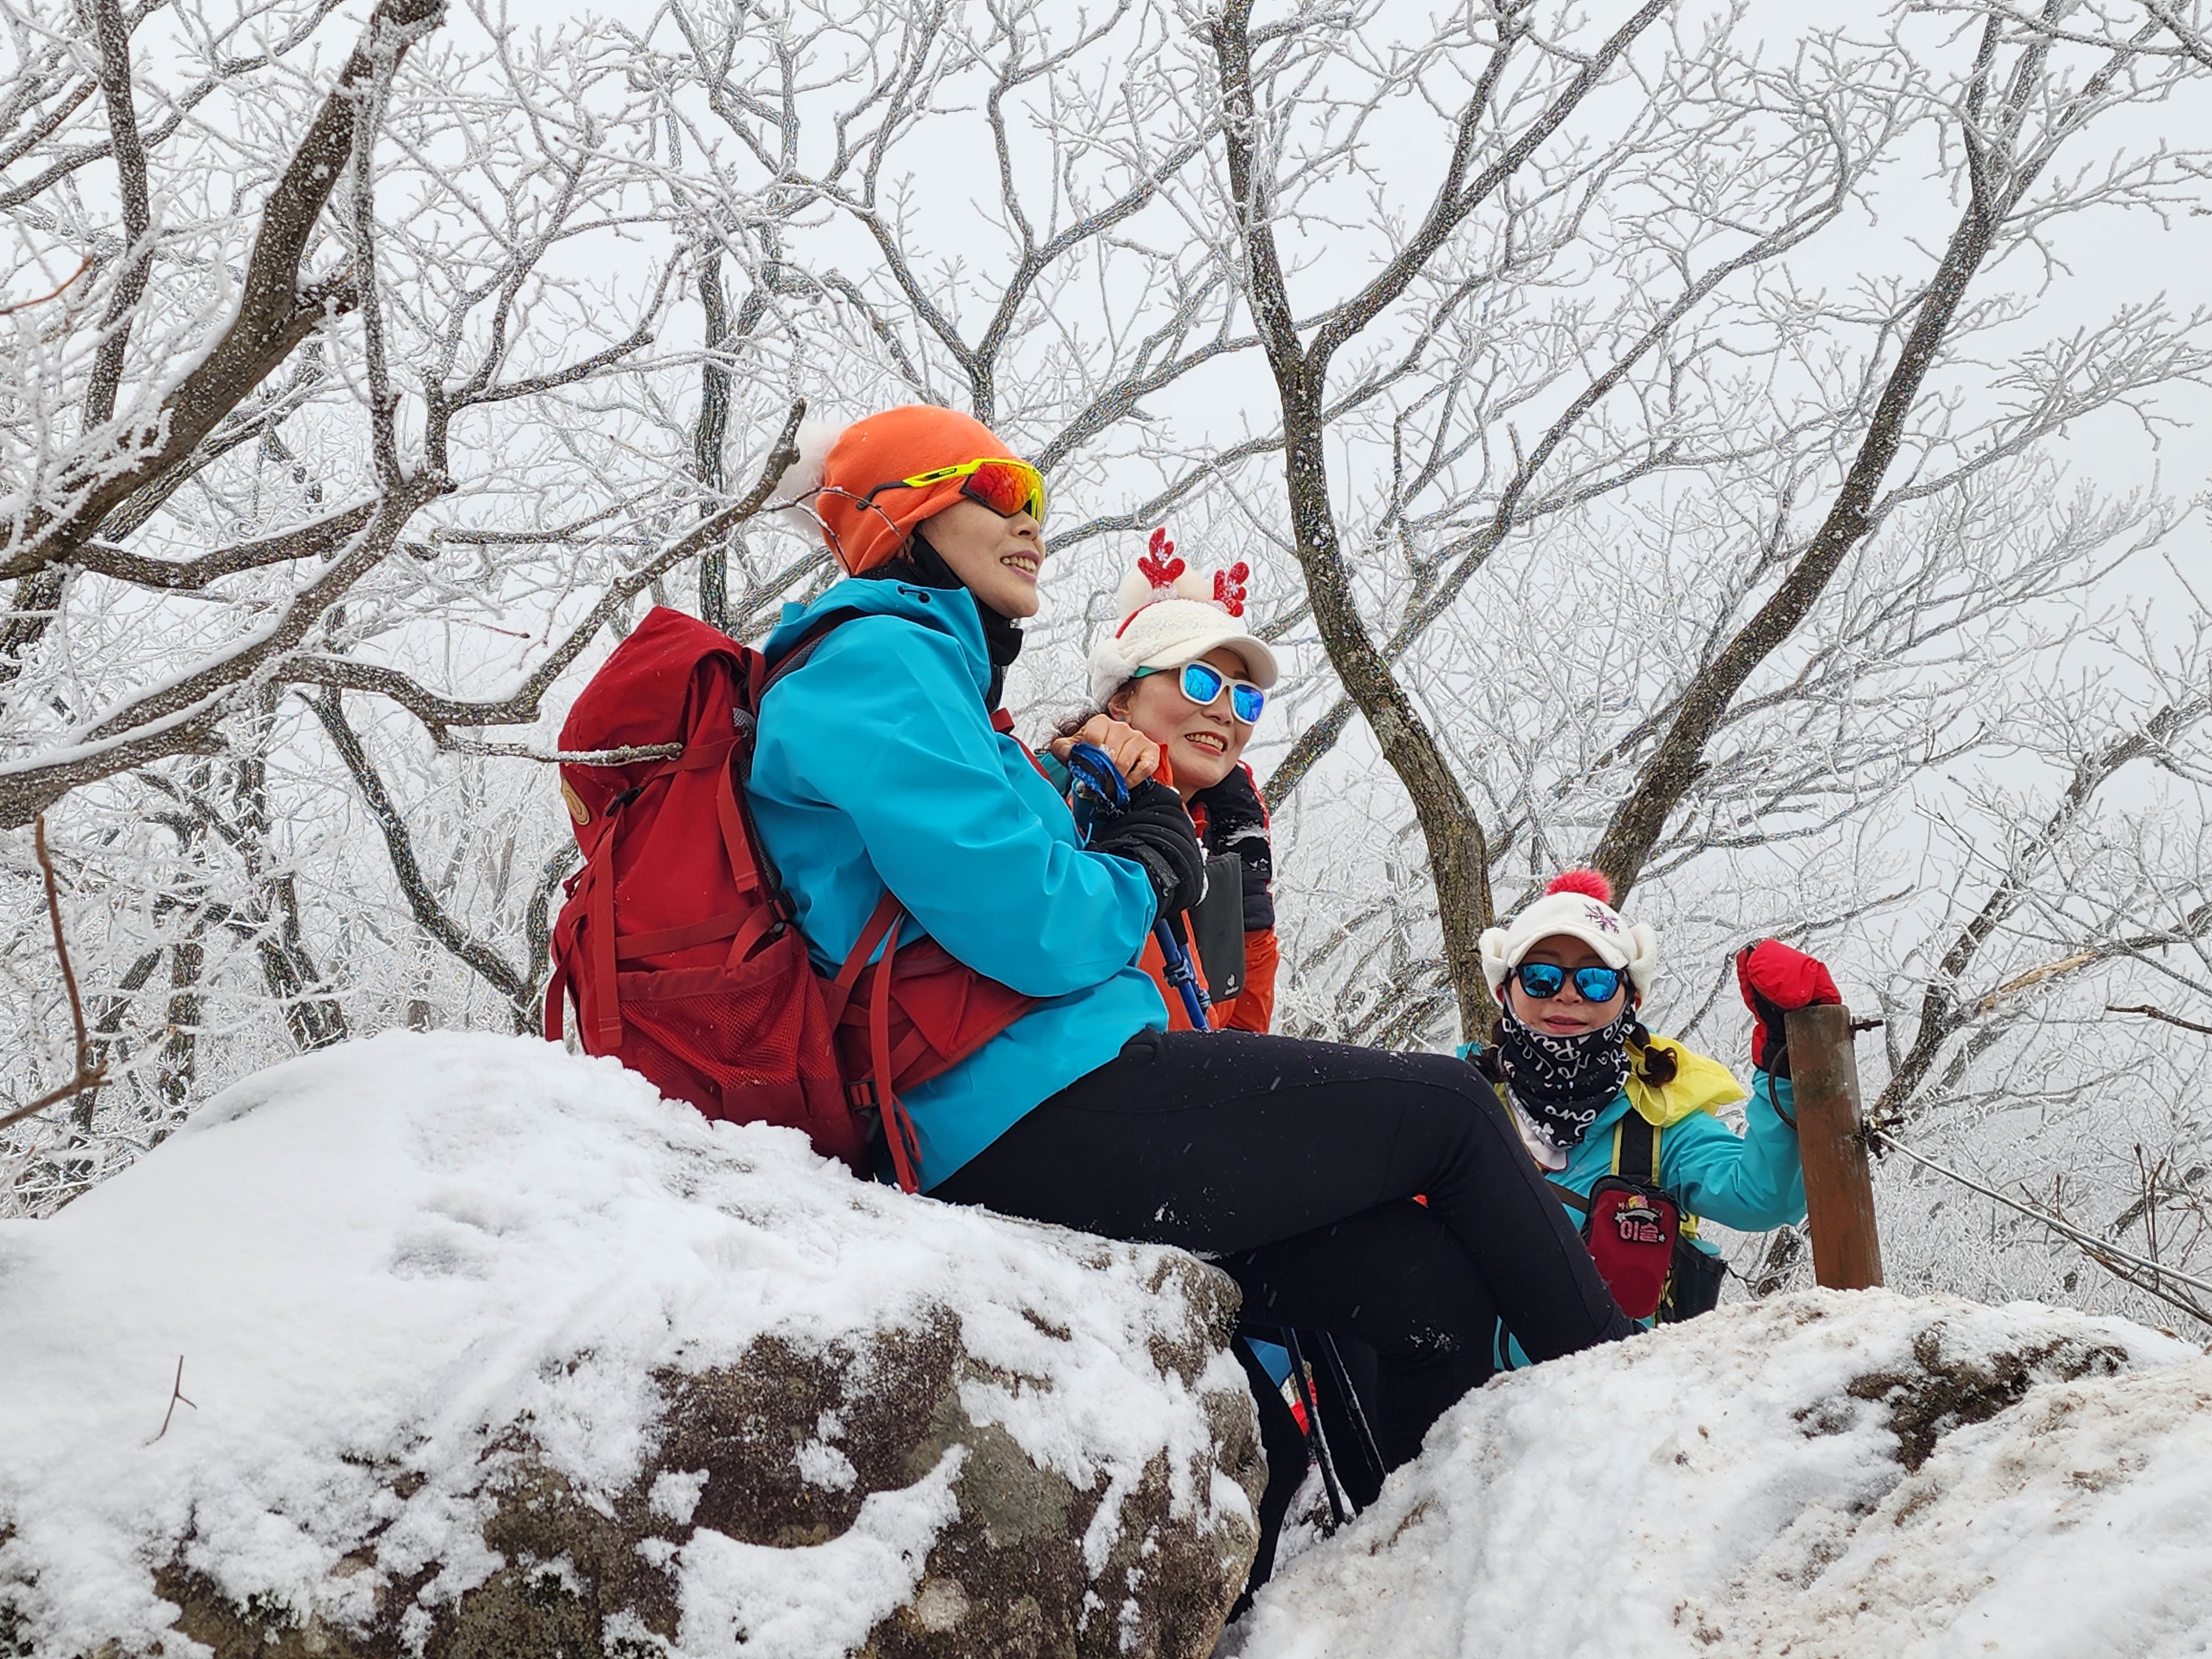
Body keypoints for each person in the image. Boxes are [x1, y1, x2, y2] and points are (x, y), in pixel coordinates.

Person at [747, 405, 1638, 1594]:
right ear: (901, 512)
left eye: (1037, 501)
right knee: (1451, 1112)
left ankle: (1431, 1588)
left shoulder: (942, 683)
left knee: (1421, 1282)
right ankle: (1645, 1432)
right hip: (1015, 1110)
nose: (1031, 522)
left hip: (1050, 1102)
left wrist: (1163, 853)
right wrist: (1148, 864)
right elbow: (1042, 927)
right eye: (998, 492)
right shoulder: (877, 661)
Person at [1461, 869, 1827, 1365]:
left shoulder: (1660, 1125)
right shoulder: (1457, 1106)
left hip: (1609, 1399)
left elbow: (1764, 1198)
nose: (1566, 995)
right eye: (1541, 977)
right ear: (1505, 991)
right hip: (1454, 1400)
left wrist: (1784, 1059)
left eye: (1594, 980)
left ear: (1630, 998)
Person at [1043, 530, 1281, 1032]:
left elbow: (1236, 1034)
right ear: (1122, 698)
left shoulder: (1223, 840)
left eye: (1245, 698)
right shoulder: (1064, 797)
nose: (1224, 712)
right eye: (1199, 680)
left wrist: (1250, 902)